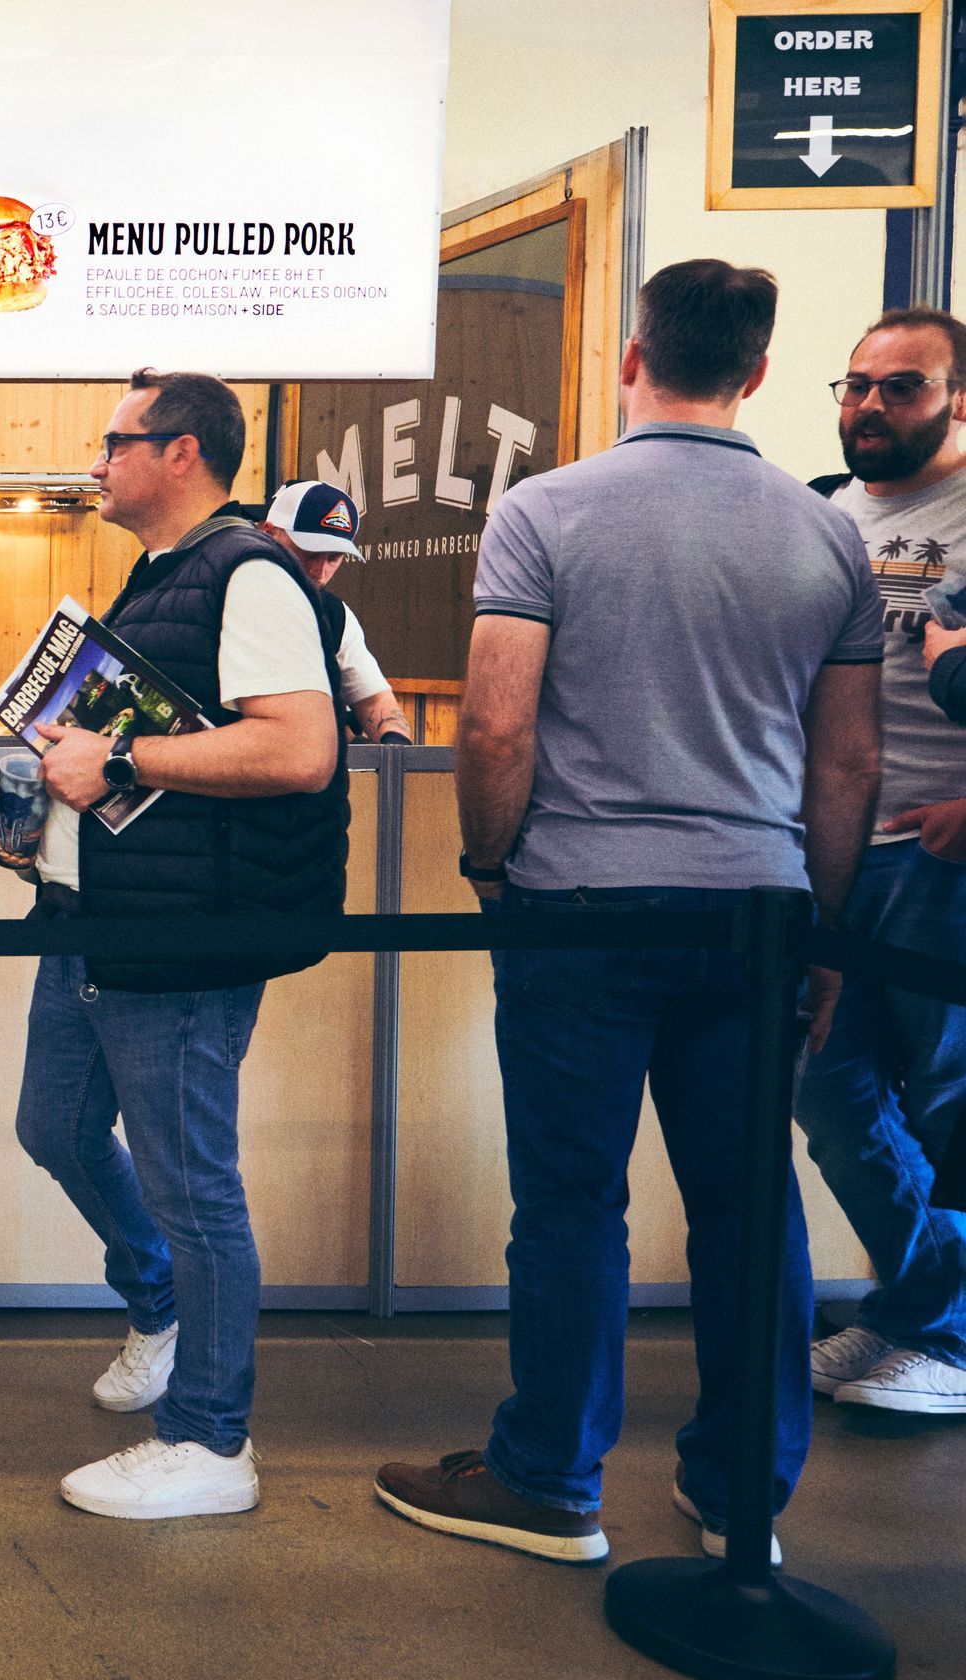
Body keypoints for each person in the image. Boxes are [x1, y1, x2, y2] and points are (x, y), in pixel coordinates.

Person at [377, 259, 883, 1564]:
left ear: (630, 356)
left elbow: (497, 721)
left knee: (568, 1204)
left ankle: (550, 1480)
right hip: (757, 914)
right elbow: (848, 766)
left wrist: (492, 869)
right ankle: (740, 1497)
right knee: (746, 1202)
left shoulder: (547, 512)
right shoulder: (826, 531)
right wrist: (820, 930)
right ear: (761, 372)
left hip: (580, 908)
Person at [13, 370, 350, 1521]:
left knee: (195, 1184)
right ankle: (158, 1304)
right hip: (100, 917)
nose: (99, 459)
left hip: (185, 940)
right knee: (51, 1123)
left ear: (183, 452)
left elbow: (299, 749)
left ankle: (211, 1436)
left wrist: (114, 761)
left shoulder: (248, 572)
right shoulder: (164, 573)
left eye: (118, 440)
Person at [797, 306, 966, 1416]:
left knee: (952, 1106)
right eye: (855, 385)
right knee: (831, 1093)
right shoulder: (819, 513)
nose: (868, 406)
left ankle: (946, 1341)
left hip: (944, 863)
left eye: (899, 387)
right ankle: (916, 1305)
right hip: (837, 851)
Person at [256, 479, 414, 745]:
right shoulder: (224, 596)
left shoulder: (335, 616)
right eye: (308, 554)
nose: (320, 573)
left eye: (333, 558)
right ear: (270, 533)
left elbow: (375, 699)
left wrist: (394, 749)